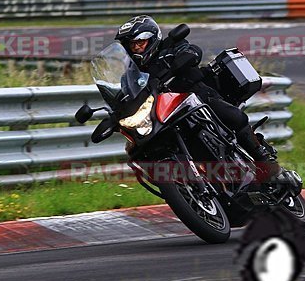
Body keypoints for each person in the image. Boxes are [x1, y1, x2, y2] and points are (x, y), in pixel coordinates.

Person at [115, 15, 283, 183]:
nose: (136, 48)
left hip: (196, 96)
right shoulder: (131, 75)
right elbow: (126, 95)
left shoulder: (169, 47)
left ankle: (263, 159)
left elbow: (192, 51)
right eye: (132, 45)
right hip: (165, 114)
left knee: (232, 116)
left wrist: (180, 62)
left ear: (152, 39)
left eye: (140, 43)